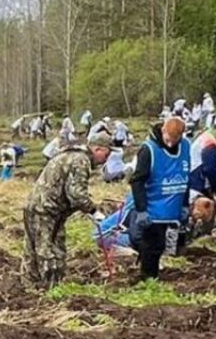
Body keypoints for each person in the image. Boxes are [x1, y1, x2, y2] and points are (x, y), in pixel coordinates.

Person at [22, 130, 112, 286]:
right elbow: (76, 195)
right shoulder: (81, 160)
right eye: (107, 155)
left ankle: (29, 287)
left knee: (32, 249)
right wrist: (94, 211)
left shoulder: (72, 155)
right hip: (46, 211)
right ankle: (49, 289)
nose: (106, 160)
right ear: (98, 149)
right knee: (49, 250)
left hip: (38, 206)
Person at [129, 117, 190, 280]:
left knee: (164, 245)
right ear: (163, 130)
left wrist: (185, 204)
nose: (171, 144)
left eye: (175, 140)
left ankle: (153, 273)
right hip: (153, 208)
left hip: (174, 208)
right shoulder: (148, 150)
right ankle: (148, 278)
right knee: (153, 245)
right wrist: (141, 209)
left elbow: (186, 177)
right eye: (168, 140)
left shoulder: (185, 147)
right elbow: (137, 181)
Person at [188, 116, 216, 205]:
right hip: (199, 182)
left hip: (194, 178)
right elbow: (210, 168)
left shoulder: (205, 136)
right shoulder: (209, 142)